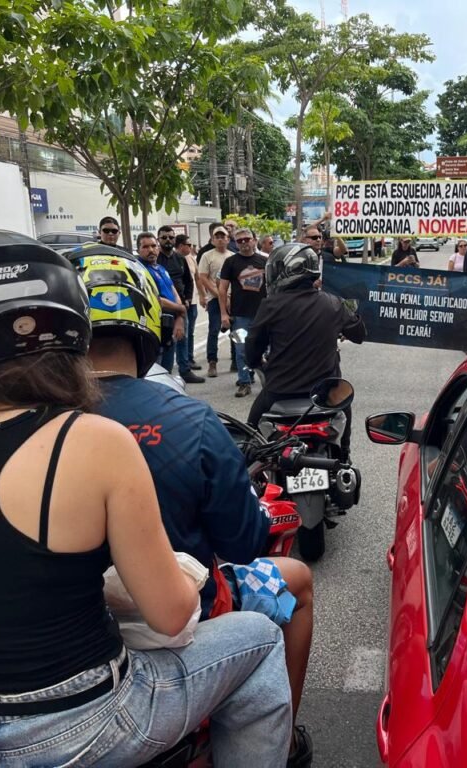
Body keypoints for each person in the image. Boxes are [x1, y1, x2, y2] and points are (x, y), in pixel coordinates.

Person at [0, 231, 291, 767]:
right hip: (82, 726)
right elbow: (172, 615)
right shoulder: (92, 440)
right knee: (261, 637)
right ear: (72, 329)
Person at [76, 253, 314, 766]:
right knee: (295, 581)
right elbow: (244, 544)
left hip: (74, 641)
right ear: (149, 330)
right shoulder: (189, 419)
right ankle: (283, 738)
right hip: (181, 622)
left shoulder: (35, 426)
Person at [246, 244, 366, 458]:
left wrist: (256, 363)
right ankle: (344, 456)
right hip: (325, 393)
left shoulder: (271, 305)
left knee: (250, 437)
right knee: (344, 409)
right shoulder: (333, 302)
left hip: (280, 390)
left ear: (284, 272)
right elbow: (359, 334)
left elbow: (253, 345)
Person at [219, 227, 267, 397]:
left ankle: (267, 382)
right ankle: (244, 382)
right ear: (236, 243)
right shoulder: (230, 263)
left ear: (254, 240)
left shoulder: (265, 261)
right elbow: (222, 289)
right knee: (241, 350)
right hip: (239, 315)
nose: (244, 243)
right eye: (240, 241)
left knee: (264, 349)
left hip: (263, 315)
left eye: (247, 239)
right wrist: (224, 314)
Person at [158, 226, 203, 384]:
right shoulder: (156, 259)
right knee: (165, 342)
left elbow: (188, 281)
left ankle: (184, 370)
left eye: (171, 237)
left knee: (183, 337)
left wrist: (188, 299)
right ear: (159, 239)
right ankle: (162, 375)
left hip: (182, 305)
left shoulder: (179, 258)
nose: (168, 240)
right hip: (163, 307)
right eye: (164, 238)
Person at [136, 232, 186, 370]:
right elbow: (154, 299)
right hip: (154, 328)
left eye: (153, 246)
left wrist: (180, 317)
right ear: (138, 250)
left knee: (167, 371)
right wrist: (181, 309)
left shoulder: (161, 268)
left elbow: (173, 291)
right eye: (145, 247)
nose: (151, 250)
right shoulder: (139, 270)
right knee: (155, 372)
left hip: (170, 326)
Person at [198, 226, 233, 378]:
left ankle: (236, 360)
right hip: (214, 298)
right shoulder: (207, 256)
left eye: (222, 236)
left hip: (233, 299)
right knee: (214, 330)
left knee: (235, 329)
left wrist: (229, 297)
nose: (220, 239)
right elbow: (203, 277)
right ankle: (212, 362)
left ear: (228, 239)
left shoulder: (233, 256)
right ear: (212, 240)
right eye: (216, 236)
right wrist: (219, 294)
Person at [175, 233, 202, 370]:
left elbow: (196, 278)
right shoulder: (175, 259)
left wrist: (202, 296)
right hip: (177, 303)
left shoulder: (191, 258)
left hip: (192, 302)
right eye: (189, 245)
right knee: (180, 333)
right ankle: (182, 361)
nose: (191, 248)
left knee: (190, 332)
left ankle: (189, 358)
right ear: (180, 246)